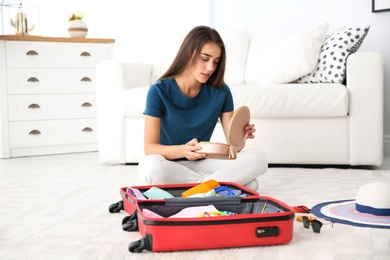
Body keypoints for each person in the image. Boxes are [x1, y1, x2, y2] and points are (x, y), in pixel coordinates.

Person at [137, 26, 267, 191]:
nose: (210, 68)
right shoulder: (159, 91)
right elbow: (150, 148)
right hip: (169, 163)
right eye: (205, 58)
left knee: (259, 157)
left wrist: (240, 136)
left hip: (203, 162)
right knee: (149, 167)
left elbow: (233, 149)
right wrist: (184, 150)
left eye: (216, 62)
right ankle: (223, 187)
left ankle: (199, 189)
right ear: (188, 53)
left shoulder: (222, 92)